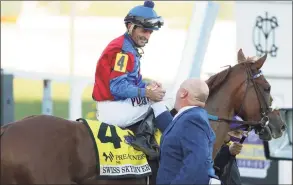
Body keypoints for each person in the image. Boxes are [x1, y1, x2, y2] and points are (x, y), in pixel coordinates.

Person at [92, 0, 166, 159]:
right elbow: (117, 87)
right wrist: (147, 92)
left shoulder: (127, 46)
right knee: (162, 100)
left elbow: (130, 82)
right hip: (113, 109)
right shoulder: (124, 51)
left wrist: (147, 86)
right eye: (144, 30)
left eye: (150, 32)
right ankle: (155, 140)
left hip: (115, 105)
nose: (147, 36)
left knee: (160, 94)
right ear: (130, 26)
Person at [151, 78, 221, 184]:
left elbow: (196, 163)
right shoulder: (190, 116)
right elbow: (173, 132)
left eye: (179, 89)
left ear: (183, 93)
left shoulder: (193, 119)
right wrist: (157, 103)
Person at [214, 116, 247, 185]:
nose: (239, 138)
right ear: (223, 130)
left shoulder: (230, 154)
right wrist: (228, 151)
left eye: (242, 134)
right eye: (236, 133)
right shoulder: (209, 148)